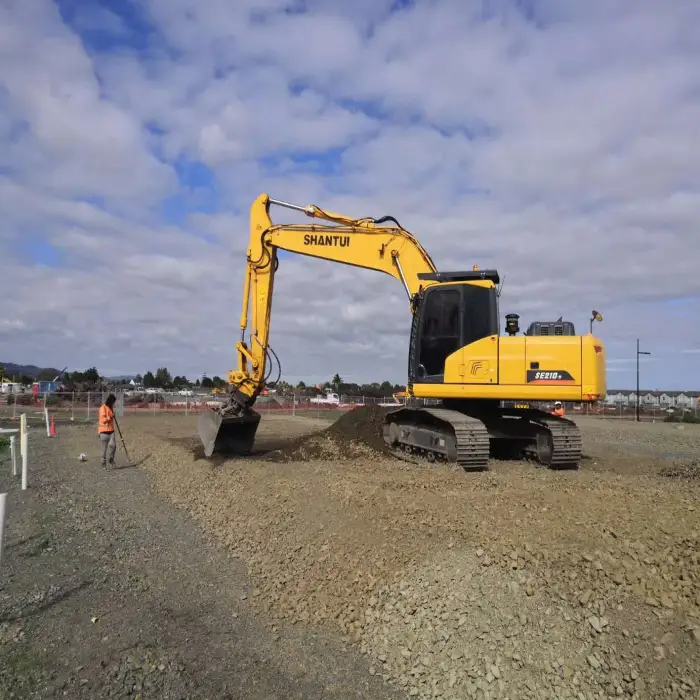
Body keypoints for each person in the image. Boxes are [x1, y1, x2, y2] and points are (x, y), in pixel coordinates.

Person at [98, 394, 117, 467]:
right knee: (104, 449)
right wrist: (110, 417)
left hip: (111, 431)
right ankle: (103, 463)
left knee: (113, 446)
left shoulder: (110, 408)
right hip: (103, 431)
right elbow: (103, 420)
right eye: (113, 402)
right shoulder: (103, 408)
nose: (113, 404)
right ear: (110, 401)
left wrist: (112, 415)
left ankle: (111, 459)